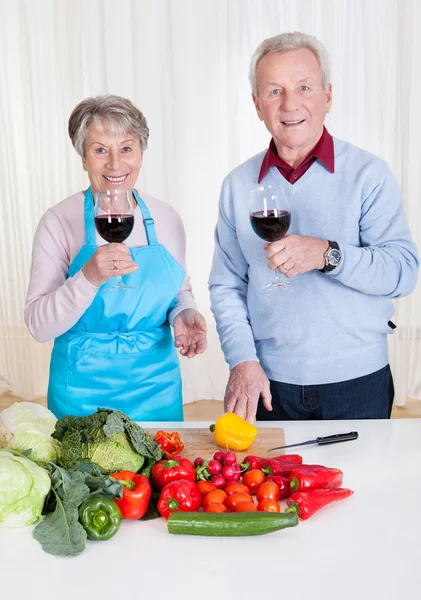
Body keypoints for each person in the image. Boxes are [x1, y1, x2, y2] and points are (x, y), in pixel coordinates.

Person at [209, 32, 419, 422]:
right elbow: (226, 286)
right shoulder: (237, 184)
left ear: (328, 95)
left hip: (358, 381)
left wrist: (327, 254)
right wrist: (242, 360)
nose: (290, 104)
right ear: (257, 105)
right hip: (269, 384)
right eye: (274, 91)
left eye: (304, 87)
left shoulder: (369, 174)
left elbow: (403, 273)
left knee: (362, 484)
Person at [25, 94, 207, 421]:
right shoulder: (58, 222)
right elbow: (38, 325)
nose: (115, 164)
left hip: (156, 392)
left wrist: (184, 313)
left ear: (141, 153)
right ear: (83, 157)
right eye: (99, 150)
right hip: (81, 398)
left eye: (126, 148)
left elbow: (179, 292)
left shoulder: (166, 219)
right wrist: (89, 277)